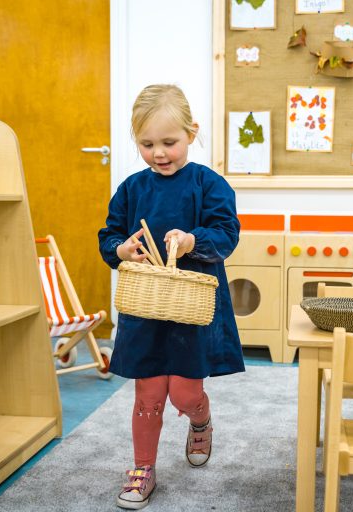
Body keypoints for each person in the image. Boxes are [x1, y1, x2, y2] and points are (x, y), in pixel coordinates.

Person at [98, 84, 244, 510]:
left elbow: (226, 235)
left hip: (191, 311)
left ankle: (200, 419)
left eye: (169, 142)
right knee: (148, 394)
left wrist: (190, 239)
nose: (158, 153)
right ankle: (143, 466)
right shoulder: (131, 188)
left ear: (192, 133)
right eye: (146, 144)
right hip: (146, 308)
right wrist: (121, 249)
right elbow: (110, 234)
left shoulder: (208, 184)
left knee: (182, 392)